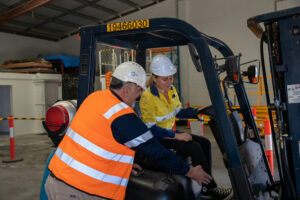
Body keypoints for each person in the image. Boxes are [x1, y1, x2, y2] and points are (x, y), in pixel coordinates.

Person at [45, 61, 213, 200]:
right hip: (80, 190)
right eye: (139, 90)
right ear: (127, 89)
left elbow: (100, 139)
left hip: (57, 180)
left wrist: (123, 164)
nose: (139, 96)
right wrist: (190, 171)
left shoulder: (95, 98)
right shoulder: (122, 115)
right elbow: (156, 152)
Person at [139, 54, 232, 199]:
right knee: (194, 147)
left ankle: (206, 183)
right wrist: (177, 136)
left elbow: (179, 111)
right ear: (155, 78)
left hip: (170, 133)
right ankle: (209, 188)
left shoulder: (171, 90)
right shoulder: (147, 98)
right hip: (158, 138)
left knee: (205, 143)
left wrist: (198, 112)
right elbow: (151, 129)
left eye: (171, 77)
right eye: (165, 79)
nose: (170, 82)